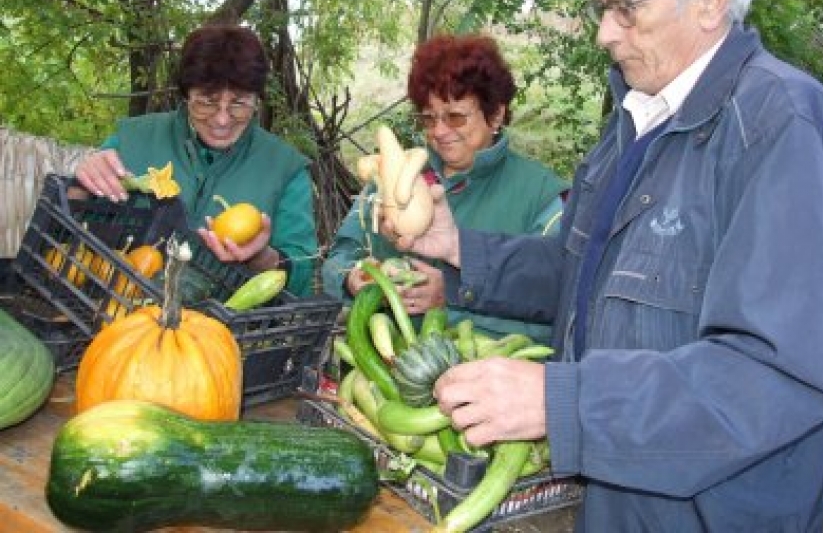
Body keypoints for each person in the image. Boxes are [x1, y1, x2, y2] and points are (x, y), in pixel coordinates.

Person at [391, 0, 823, 531]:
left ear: (710, 1)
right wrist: (459, 249)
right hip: (621, 489)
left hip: (716, 511)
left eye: (626, 8)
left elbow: (769, 376)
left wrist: (563, 404)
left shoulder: (784, 128)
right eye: (602, 8)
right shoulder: (637, 120)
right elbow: (580, 272)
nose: (604, 32)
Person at [323, 33, 568, 343]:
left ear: (496, 114)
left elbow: (556, 307)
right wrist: (352, 279)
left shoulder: (543, 196)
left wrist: (452, 300)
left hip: (486, 380)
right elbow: (338, 257)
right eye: (429, 118)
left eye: (455, 117)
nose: (439, 132)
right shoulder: (395, 173)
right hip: (386, 369)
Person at [73, 24, 317, 296]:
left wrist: (262, 257)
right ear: (186, 95)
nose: (222, 119)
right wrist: (83, 177)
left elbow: (302, 273)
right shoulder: (132, 138)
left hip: (223, 331)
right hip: (112, 309)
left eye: (239, 104)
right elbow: (74, 213)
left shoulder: (285, 168)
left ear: (256, 100)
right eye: (207, 102)